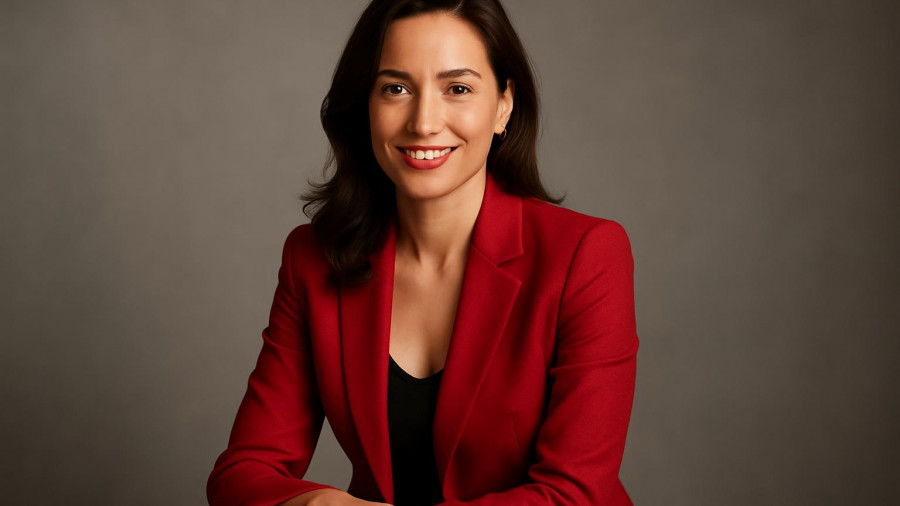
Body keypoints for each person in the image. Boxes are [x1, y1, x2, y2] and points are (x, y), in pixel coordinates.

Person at [206, 0, 639, 504]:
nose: (424, 122)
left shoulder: (586, 255)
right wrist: (318, 503)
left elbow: (575, 494)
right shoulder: (314, 258)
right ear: (365, 103)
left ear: (503, 105)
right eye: (396, 88)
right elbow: (241, 473)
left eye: (457, 88)